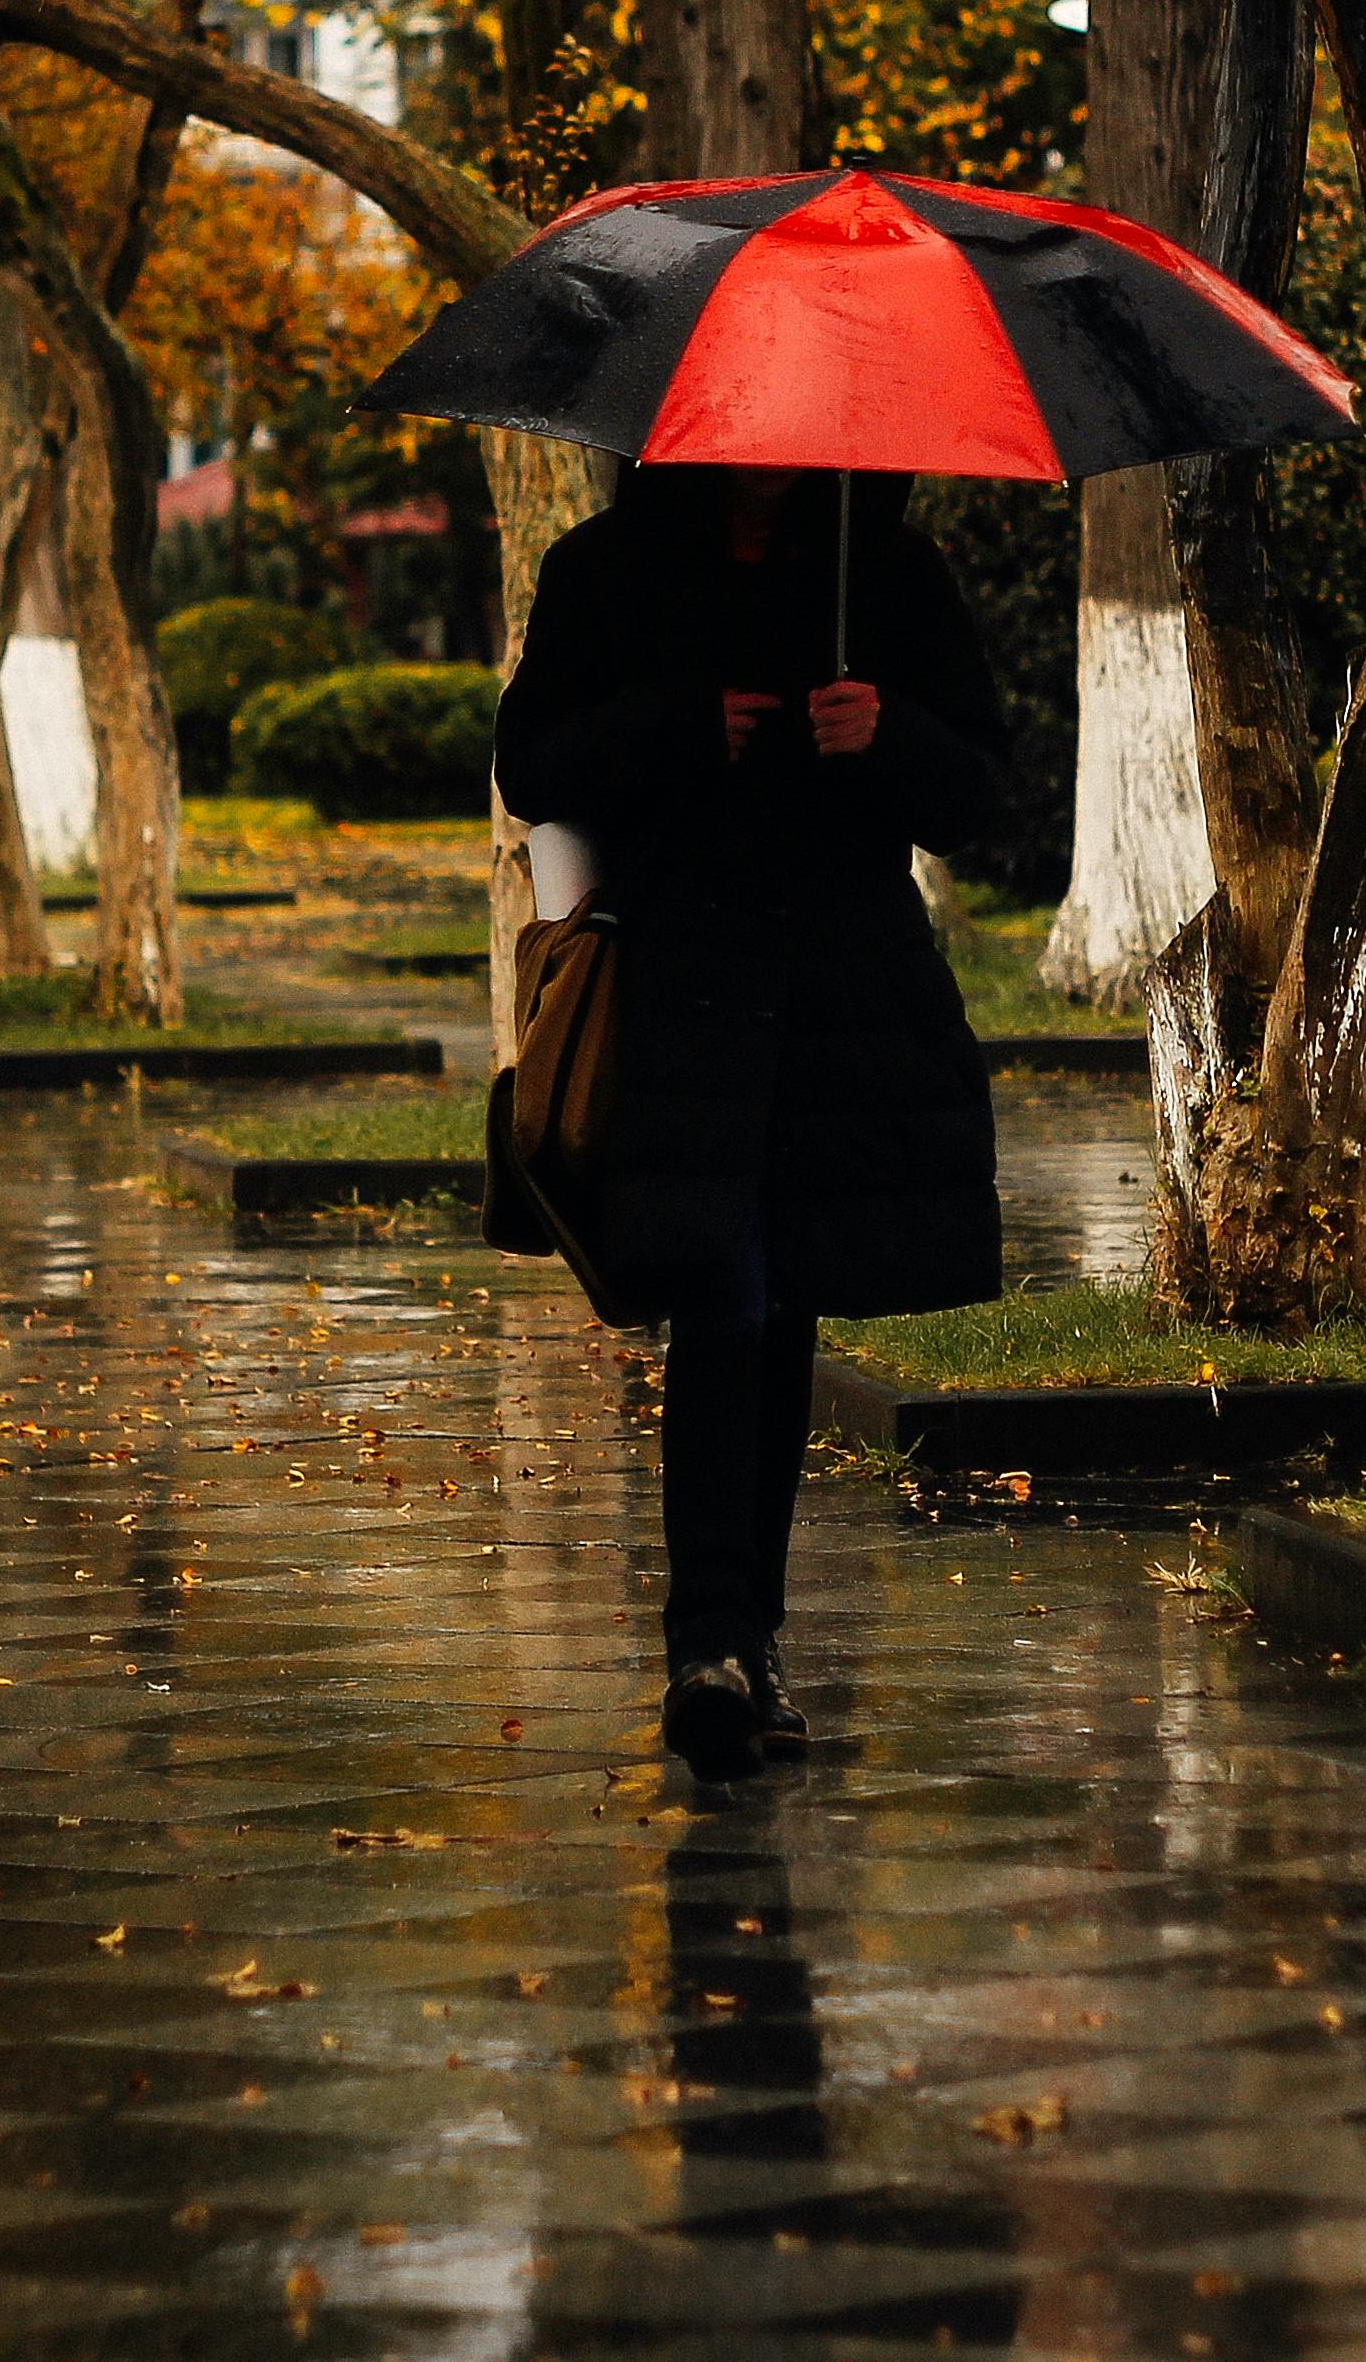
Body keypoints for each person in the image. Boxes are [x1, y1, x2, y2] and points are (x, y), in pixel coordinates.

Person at [492, 466, 1007, 1778]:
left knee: (780, 1316)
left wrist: (880, 735)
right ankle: (706, 1643)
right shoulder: (604, 568)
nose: (763, 469)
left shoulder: (884, 574)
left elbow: (980, 792)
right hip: (677, 997)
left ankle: (749, 1639)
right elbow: (532, 760)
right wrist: (673, 725)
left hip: (839, 1007)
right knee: (721, 1299)